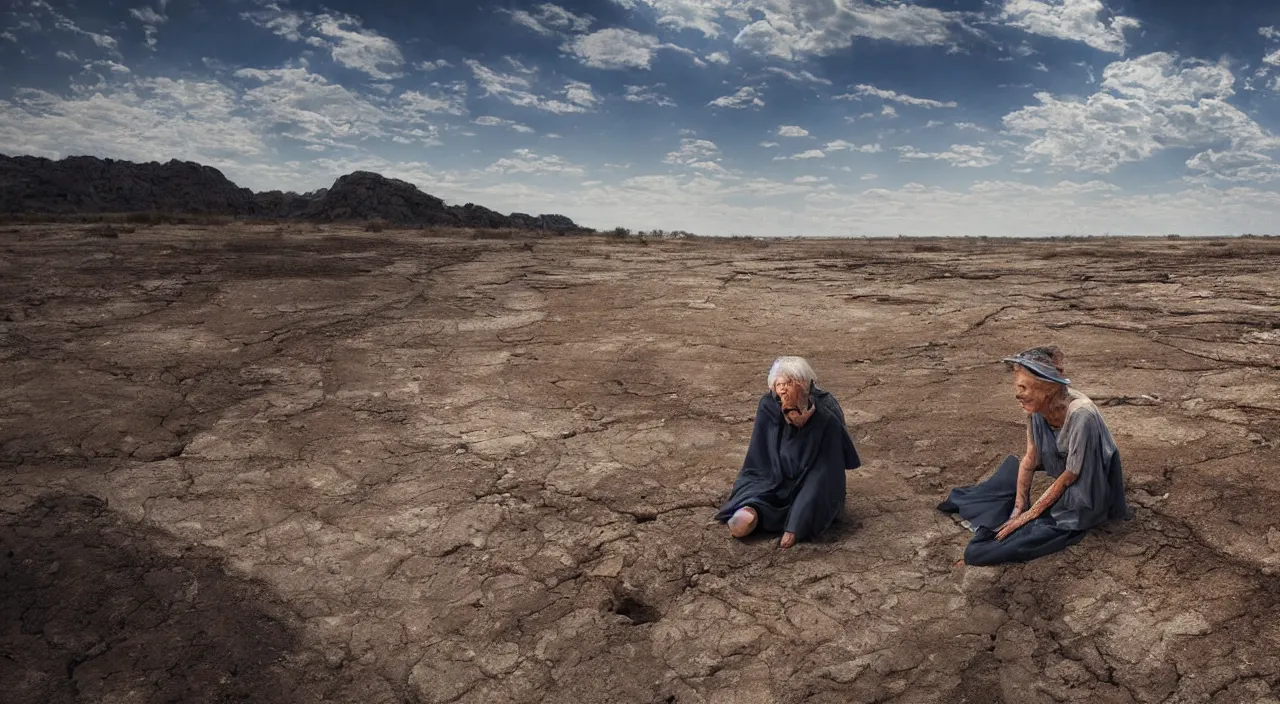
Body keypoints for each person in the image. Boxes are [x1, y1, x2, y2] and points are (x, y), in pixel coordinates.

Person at [938, 346, 1132, 566]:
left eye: (1024, 387)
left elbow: (1071, 475)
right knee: (1004, 491)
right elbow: (1030, 458)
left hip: (1083, 494)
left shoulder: (1081, 415)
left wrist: (1029, 516)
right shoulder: (1036, 410)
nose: (1017, 394)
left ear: (1046, 389)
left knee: (985, 550)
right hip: (1065, 481)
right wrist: (1017, 510)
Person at [715, 356, 861, 548]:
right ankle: (755, 509)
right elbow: (759, 459)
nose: (783, 390)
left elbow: (825, 471)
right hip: (772, 478)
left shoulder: (826, 415)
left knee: (813, 501)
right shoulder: (768, 406)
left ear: (804, 386)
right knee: (742, 521)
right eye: (780, 385)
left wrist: (796, 525)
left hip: (814, 484)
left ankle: (796, 519)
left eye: (790, 384)